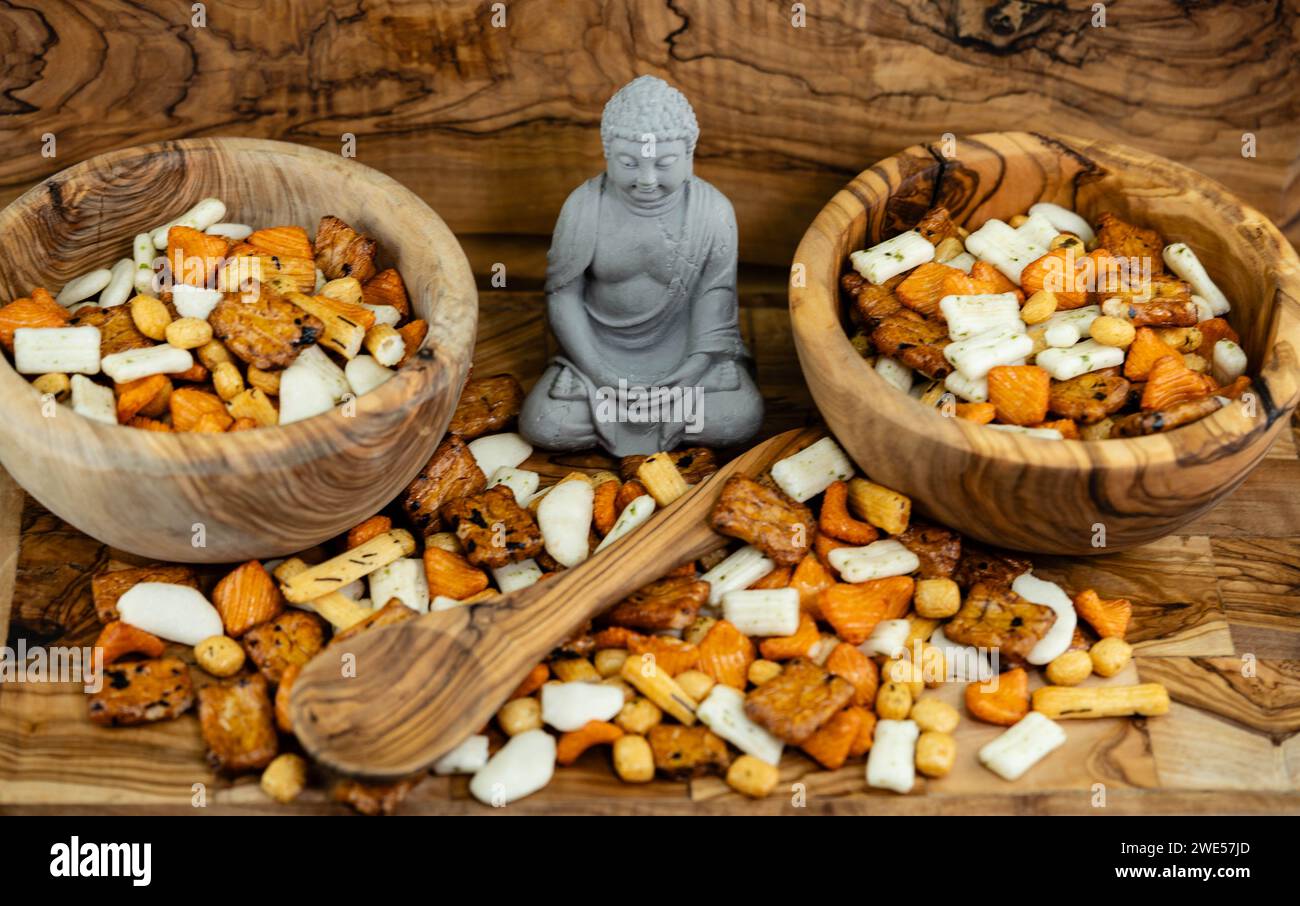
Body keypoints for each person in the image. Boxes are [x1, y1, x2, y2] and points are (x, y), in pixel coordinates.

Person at [518, 75, 763, 456]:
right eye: (629, 163)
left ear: (689, 155)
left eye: (664, 163)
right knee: (546, 422)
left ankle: (663, 405)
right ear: (607, 154)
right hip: (599, 351)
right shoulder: (584, 207)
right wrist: (599, 372)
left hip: (685, 351)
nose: (646, 180)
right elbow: (563, 296)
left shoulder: (713, 211)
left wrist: (695, 367)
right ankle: (654, 412)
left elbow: (714, 294)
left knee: (737, 417)